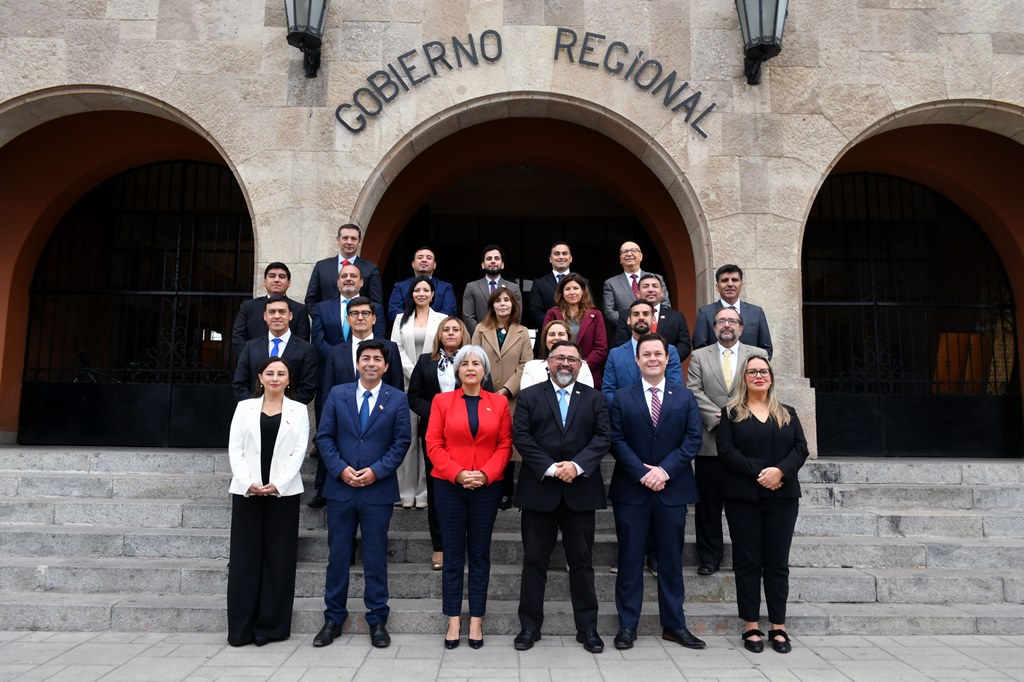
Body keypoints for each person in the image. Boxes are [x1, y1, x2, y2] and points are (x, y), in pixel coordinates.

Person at [512, 340, 611, 654]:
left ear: (580, 366)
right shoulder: (529, 397)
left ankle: (588, 629)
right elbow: (521, 437)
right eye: (559, 358)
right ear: (548, 363)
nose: (565, 364)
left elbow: (603, 437)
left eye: (572, 359)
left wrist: (577, 466)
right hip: (540, 489)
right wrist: (553, 468)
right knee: (533, 562)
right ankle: (529, 627)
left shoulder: (595, 399)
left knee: (582, 563)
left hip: (581, 491)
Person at [608, 333, 705, 651]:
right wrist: (642, 473)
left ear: (667, 359)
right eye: (645, 354)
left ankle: (674, 625)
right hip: (631, 491)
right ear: (637, 360)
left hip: (672, 489)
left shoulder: (684, 397)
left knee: (670, 561)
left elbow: (692, 439)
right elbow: (617, 440)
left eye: (657, 354)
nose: (651, 358)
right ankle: (627, 625)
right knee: (631, 559)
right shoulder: (622, 397)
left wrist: (663, 471)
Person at [313, 339, 411, 649]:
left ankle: (378, 619)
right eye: (365, 358)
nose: (371, 363)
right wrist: (340, 469)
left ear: (386, 366)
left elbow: (401, 443)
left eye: (377, 359)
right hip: (341, 489)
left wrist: (376, 471)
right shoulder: (338, 394)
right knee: (338, 556)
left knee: (375, 556)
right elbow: (324, 436)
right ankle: (333, 618)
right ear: (357, 364)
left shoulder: (396, 399)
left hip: (377, 490)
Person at [717, 355, 809, 655]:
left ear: (771, 377)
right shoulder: (730, 414)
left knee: (777, 563)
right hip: (743, 499)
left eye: (764, 371)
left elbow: (801, 449)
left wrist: (779, 472)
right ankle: (751, 624)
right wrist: (761, 472)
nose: (759, 376)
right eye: (752, 371)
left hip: (782, 498)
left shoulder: (787, 413)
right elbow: (726, 452)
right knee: (747, 563)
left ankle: (779, 626)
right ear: (744, 378)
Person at [425, 345, 513, 650]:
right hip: (449, 485)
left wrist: (486, 474)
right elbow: (433, 443)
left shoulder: (498, 403)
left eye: (477, 363)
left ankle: (476, 618)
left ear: (485, 371)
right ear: (457, 370)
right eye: (465, 364)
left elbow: (505, 444)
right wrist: (459, 473)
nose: (471, 368)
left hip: (486, 487)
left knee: (479, 554)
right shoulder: (442, 401)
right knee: (452, 555)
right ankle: (453, 619)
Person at [226, 356, 309, 647]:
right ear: (260, 378)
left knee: (279, 560)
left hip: (283, 493)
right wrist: (248, 481)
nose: (275, 378)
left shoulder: (298, 411)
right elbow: (235, 448)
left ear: (289, 380)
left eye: (281, 373)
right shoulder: (244, 408)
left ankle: (271, 627)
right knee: (244, 561)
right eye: (270, 373)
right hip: (246, 491)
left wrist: (278, 484)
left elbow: (299, 452)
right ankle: (240, 629)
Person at [686, 307, 768, 576]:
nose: (727, 325)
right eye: (721, 321)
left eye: (732, 321)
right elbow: (694, 391)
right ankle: (709, 557)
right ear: (714, 327)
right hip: (710, 443)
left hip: (747, 443)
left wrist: (740, 418)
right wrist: (721, 417)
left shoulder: (757, 355)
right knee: (708, 506)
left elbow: (761, 387)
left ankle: (748, 555)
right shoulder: (699, 356)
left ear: (742, 327)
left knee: (744, 505)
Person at [408, 317, 490, 570]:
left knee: (467, 488)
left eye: (456, 329)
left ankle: (466, 545)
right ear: (439, 334)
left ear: (463, 334)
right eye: (446, 329)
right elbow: (414, 397)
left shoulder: (473, 361)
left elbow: (486, 391)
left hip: (468, 435)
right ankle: (440, 546)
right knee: (437, 488)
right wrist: (439, 412)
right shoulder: (425, 361)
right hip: (434, 433)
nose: (451, 333)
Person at [310, 296, 403, 508]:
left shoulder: (390, 348)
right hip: (343, 433)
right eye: (354, 314)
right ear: (348, 320)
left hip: (378, 433)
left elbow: (397, 389)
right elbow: (326, 393)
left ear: (374, 319)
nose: (360, 317)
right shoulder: (335, 351)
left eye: (365, 313)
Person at [471, 288, 533, 508]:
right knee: (487, 442)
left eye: (507, 300)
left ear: (514, 305)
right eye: (498, 301)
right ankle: (488, 487)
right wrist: (483, 389)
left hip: (511, 397)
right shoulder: (480, 329)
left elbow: (526, 364)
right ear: (492, 306)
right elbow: (473, 359)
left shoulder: (522, 331)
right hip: (483, 395)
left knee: (507, 444)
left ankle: (506, 491)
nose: (503, 304)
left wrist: (507, 390)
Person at [391, 276, 447, 507]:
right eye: (417, 290)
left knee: (428, 437)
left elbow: (442, 347)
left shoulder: (442, 319)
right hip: (405, 384)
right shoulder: (399, 319)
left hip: (432, 385)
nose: (421, 293)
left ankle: (424, 492)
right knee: (407, 438)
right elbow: (396, 348)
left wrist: (424, 372)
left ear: (433, 294)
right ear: (411, 294)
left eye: (426, 290)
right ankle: (405, 492)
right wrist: (414, 371)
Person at [233, 295, 318, 405]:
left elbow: (307, 388)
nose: (277, 316)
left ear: (290, 316)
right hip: (253, 413)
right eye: (272, 312)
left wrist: (282, 408)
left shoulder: (306, 349)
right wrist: (255, 407)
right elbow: (239, 384)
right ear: (265, 316)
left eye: (282, 312)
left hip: (290, 415)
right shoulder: (250, 347)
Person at [603, 299, 683, 404]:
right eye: (636, 314)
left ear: (654, 319)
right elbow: (608, 391)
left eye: (646, 314)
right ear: (628, 320)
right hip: (626, 417)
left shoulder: (670, 350)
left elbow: (675, 387)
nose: (641, 317)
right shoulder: (615, 354)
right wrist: (625, 411)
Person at [542, 272, 608, 388]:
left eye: (576, 288)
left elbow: (601, 348)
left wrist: (580, 366)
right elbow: (547, 343)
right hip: (557, 372)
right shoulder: (552, 313)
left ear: (583, 291)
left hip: (587, 373)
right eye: (567, 289)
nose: (572, 292)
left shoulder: (595, 314)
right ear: (562, 292)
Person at [692, 264, 773, 358]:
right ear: (717, 287)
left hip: (748, 371)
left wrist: (752, 369)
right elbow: (700, 350)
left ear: (741, 286)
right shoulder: (705, 313)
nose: (730, 284)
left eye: (734, 280)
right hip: (717, 371)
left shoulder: (756, 313)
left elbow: (766, 350)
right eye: (724, 280)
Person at [231, 262, 310, 357]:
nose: (277, 280)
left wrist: (284, 367)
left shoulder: (300, 309)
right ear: (264, 281)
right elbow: (238, 337)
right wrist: (249, 361)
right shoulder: (248, 307)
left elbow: (302, 340)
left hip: (288, 368)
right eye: (272, 276)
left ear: (289, 283)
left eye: (282, 276)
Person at [310, 263, 385, 357]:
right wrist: (337, 356)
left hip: (364, 364)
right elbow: (317, 339)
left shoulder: (376, 308)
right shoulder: (321, 308)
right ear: (338, 282)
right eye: (344, 276)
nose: (348, 279)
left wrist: (359, 357)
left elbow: (379, 338)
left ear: (361, 282)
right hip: (329, 363)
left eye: (353, 276)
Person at [304, 223, 384, 310]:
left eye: (353, 239)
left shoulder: (371, 269)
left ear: (359, 242)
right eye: (345, 238)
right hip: (326, 322)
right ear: (338, 240)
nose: (349, 242)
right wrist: (320, 317)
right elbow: (311, 300)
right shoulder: (322, 266)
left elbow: (376, 302)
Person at [612, 274, 691, 361]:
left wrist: (667, 361)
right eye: (646, 286)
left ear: (662, 293)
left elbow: (685, 344)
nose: (650, 290)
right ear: (638, 293)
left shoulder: (676, 317)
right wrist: (638, 362)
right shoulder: (625, 315)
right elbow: (620, 343)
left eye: (655, 286)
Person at [601, 241, 670, 327]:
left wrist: (651, 322)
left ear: (641, 256)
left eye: (633, 250)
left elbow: (665, 305)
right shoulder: (611, 283)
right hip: (626, 332)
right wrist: (632, 323)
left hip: (655, 330)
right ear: (620, 259)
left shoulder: (656, 278)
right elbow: (609, 312)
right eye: (625, 251)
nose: (629, 254)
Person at [462, 244, 523, 335]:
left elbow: (517, 315)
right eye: (489, 259)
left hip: (506, 338)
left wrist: (503, 335)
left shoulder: (513, 288)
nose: (493, 261)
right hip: (480, 338)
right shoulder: (471, 287)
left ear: (502, 265)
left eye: (497, 258)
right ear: (482, 265)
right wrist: (482, 335)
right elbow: (468, 317)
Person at [387, 246, 457, 323]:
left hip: (436, 332)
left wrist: (427, 323)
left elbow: (450, 312)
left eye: (429, 258)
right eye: (420, 257)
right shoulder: (400, 287)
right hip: (407, 332)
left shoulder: (445, 287)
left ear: (434, 265)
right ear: (413, 264)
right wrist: (416, 322)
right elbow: (393, 313)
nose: (424, 260)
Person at [520, 319, 594, 390]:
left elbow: (588, 397)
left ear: (569, 338)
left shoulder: (583, 366)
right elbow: (528, 398)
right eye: (551, 334)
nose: (556, 338)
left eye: (561, 334)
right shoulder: (531, 367)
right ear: (545, 339)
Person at [526, 240, 574, 329]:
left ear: (571, 258)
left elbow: (588, 309)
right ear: (550, 259)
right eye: (557, 253)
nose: (561, 256)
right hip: (549, 334)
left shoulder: (582, 282)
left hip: (578, 335)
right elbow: (535, 312)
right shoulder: (539, 283)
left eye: (564, 253)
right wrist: (555, 327)